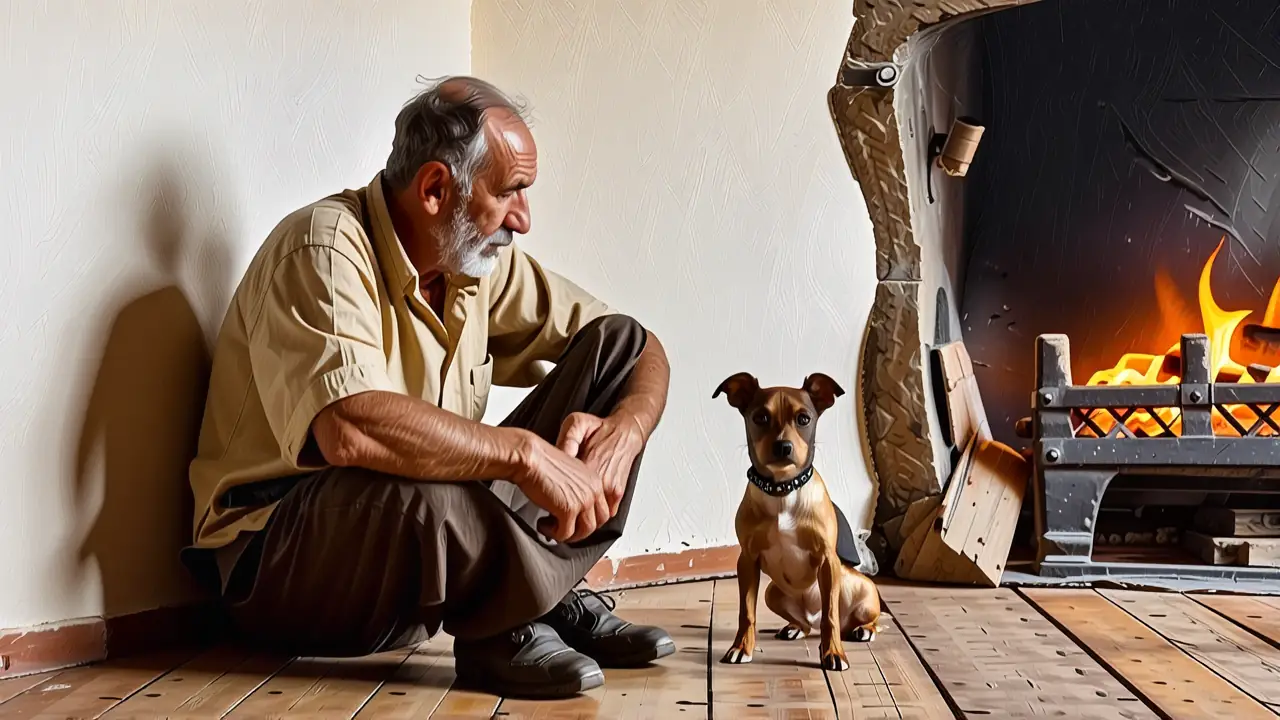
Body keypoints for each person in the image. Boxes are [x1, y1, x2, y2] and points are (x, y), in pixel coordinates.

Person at [181, 76, 674, 699]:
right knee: (426, 489)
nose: (524, 218)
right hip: (277, 565)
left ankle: (540, 594)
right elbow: (350, 428)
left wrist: (625, 432)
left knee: (617, 347)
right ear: (437, 189)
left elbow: (642, 347)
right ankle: (507, 619)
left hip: (420, 553)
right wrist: (524, 453)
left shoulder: (472, 262)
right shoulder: (321, 249)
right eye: (511, 192)